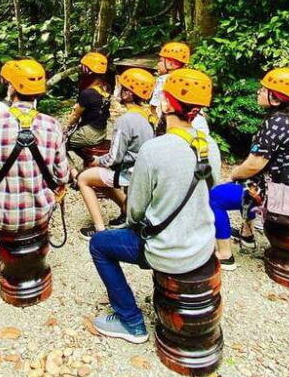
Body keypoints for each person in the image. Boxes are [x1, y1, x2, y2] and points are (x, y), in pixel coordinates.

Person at [89, 68, 221, 343]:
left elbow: (135, 210)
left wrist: (133, 225)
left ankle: (130, 321)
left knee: (99, 244)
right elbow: (210, 189)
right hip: (202, 246)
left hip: (167, 250)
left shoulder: (155, 149)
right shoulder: (210, 145)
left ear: (168, 104)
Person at [0, 59, 70, 280]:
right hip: (42, 212)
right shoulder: (52, 125)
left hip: (3, 216)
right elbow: (63, 176)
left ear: (12, 88)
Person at [208, 67, 289, 271]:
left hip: (272, 192)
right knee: (246, 185)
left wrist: (234, 173)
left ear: (277, 98)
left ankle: (225, 254)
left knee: (215, 197)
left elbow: (254, 165)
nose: (259, 92)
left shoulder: (277, 122)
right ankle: (247, 235)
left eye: (264, 90)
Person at [77, 68, 156, 239]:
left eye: (120, 87)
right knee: (99, 177)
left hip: (128, 173)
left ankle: (99, 230)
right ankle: (126, 211)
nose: (116, 90)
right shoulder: (147, 115)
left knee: (83, 178)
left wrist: (96, 160)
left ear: (128, 94)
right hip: (140, 171)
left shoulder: (125, 120)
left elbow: (114, 158)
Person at [64, 51, 111, 158]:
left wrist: (65, 128)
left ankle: (80, 166)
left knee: (62, 143)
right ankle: (88, 160)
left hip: (90, 134)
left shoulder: (88, 93)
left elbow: (75, 116)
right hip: (102, 131)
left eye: (82, 67)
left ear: (87, 70)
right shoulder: (105, 86)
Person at [149, 41, 191, 126]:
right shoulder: (188, 79)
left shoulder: (163, 80)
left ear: (171, 64)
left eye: (161, 61)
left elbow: (153, 107)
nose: (158, 64)